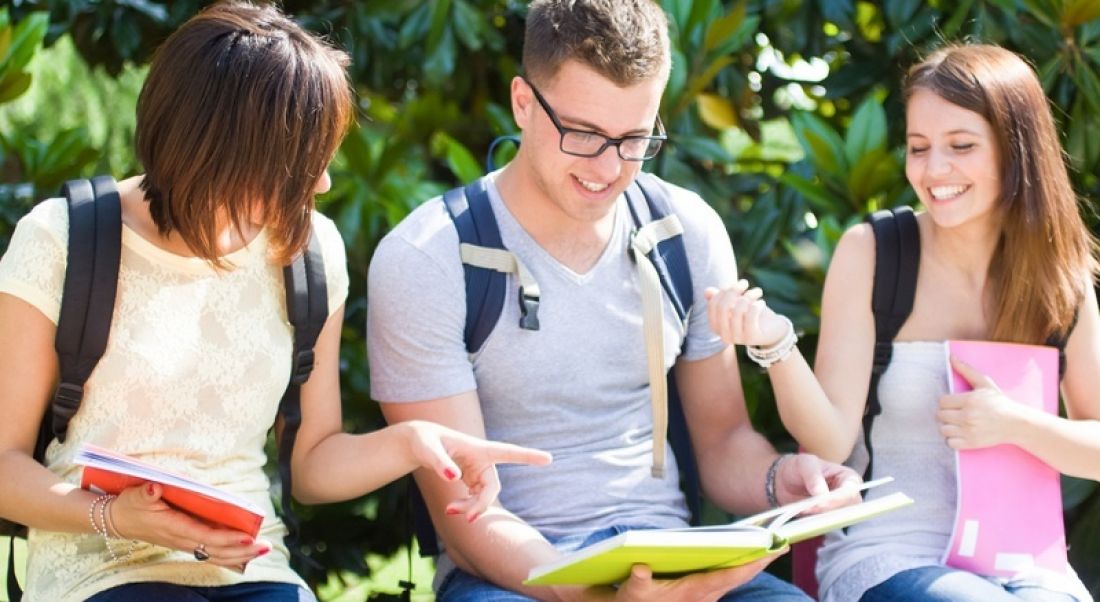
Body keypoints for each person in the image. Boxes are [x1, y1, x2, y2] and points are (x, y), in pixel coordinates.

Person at [0, 3, 551, 601]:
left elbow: (312, 464)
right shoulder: (65, 240)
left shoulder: (310, 249)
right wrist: (116, 516)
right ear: (224, 153)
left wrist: (413, 443)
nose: (322, 185)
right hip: (101, 570)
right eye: (302, 164)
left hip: (252, 571)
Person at [367, 1, 861, 600]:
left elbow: (724, 443)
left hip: (671, 559)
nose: (608, 168)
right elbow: (465, 519)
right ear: (524, 103)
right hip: (514, 575)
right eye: (584, 134)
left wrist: (782, 479)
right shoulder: (428, 257)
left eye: (635, 138)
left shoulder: (683, 230)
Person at [706, 44, 1100, 602]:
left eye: (960, 146)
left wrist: (1017, 425)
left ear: (1018, 151)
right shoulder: (875, 252)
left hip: (1027, 567)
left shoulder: (1061, 274)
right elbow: (830, 440)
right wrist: (775, 345)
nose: (934, 170)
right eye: (919, 148)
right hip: (890, 555)